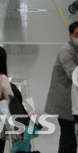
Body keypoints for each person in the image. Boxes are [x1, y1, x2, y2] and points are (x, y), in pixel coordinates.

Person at [45, 22, 78, 153]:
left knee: (72, 138)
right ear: (70, 36)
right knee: (68, 138)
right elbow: (74, 75)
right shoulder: (67, 51)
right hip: (65, 104)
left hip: (73, 102)